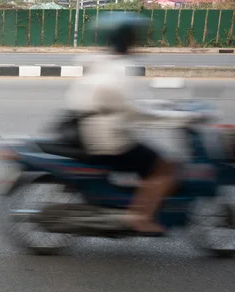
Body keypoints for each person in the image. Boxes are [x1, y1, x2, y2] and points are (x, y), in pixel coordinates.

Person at [64, 12, 178, 235]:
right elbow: (132, 110)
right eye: (136, 36)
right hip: (109, 140)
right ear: (127, 39)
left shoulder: (102, 61)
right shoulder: (118, 69)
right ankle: (140, 217)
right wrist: (174, 117)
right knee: (165, 166)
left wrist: (163, 107)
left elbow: (130, 103)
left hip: (93, 130)